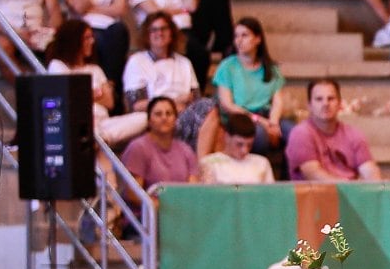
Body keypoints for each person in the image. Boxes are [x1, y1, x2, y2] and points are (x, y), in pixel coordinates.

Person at [46, 18, 145, 146]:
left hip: (104, 123)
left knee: (143, 118)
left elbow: (109, 103)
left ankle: (99, 140)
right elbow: (68, 96)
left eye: (91, 37)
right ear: (74, 40)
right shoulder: (57, 65)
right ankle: (96, 140)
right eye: (87, 38)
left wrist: (83, 94)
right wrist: (96, 93)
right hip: (76, 123)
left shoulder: (95, 69)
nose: (92, 42)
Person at [203, 17, 287, 157]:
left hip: (266, 116)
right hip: (239, 117)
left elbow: (278, 100)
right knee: (259, 136)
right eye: (236, 36)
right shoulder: (227, 66)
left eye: (244, 35)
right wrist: (261, 122)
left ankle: (289, 177)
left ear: (258, 39)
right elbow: (227, 105)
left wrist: (273, 123)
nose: (239, 40)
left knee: (294, 132)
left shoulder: (270, 68)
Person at [286, 78, 383, 182]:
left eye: (331, 98)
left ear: (340, 104)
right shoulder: (300, 133)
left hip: (350, 193)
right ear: (309, 105)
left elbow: (370, 171)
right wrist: (347, 188)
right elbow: (313, 174)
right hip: (315, 195)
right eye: (319, 99)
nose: (325, 104)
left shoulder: (353, 134)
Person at [121, 10, 201, 123]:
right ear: (147, 35)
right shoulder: (137, 61)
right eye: (154, 30)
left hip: (185, 114)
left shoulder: (184, 62)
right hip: (152, 116)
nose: (159, 33)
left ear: (171, 33)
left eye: (164, 29)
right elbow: (136, 105)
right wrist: (174, 103)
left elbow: (195, 98)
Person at [121, 95, 199, 189]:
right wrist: (157, 203)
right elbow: (133, 193)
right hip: (148, 203)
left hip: (179, 203)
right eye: (158, 114)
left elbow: (193, 188)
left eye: (169, 113)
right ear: (149, 121)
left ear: (175, 119)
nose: (164, 118)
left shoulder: (186, 150)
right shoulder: (138, 147)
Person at [200, 110, 276, 185]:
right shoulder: (210, 163)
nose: (244, 150)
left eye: (249, 145)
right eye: (239, 144)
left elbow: (271, 195)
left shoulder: (262, 163)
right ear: (227, 137)